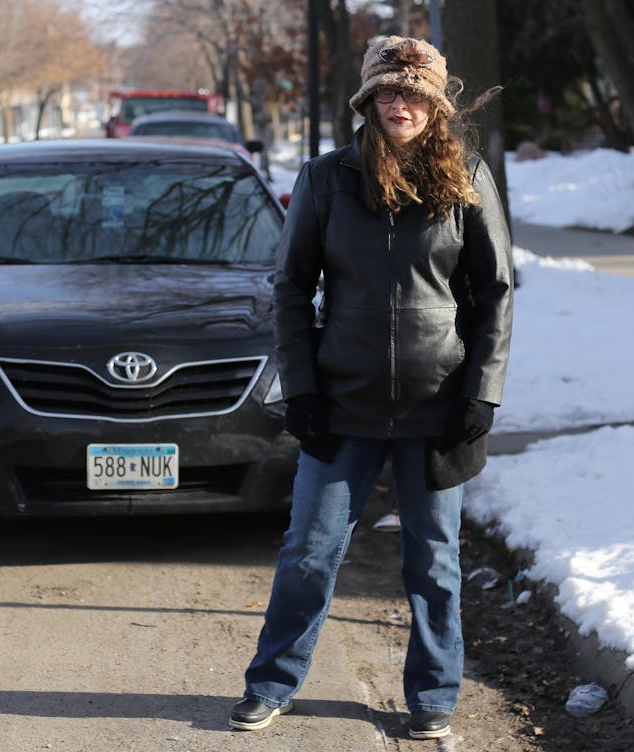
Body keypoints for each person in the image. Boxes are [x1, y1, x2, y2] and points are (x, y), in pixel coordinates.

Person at [230, 36, 513, 741]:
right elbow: (291, 289)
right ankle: (273, 683)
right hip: (342, 404)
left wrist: (482, 393)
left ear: (434, 105)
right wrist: (301, 391)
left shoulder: (467, 175)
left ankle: (434, 694)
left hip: (437, 404)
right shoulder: (327, 180)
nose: (400, 104)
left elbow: (496, 292)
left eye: (414, 93)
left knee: (434, 562)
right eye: (388, 91)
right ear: (367, 100)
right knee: (309, 550)